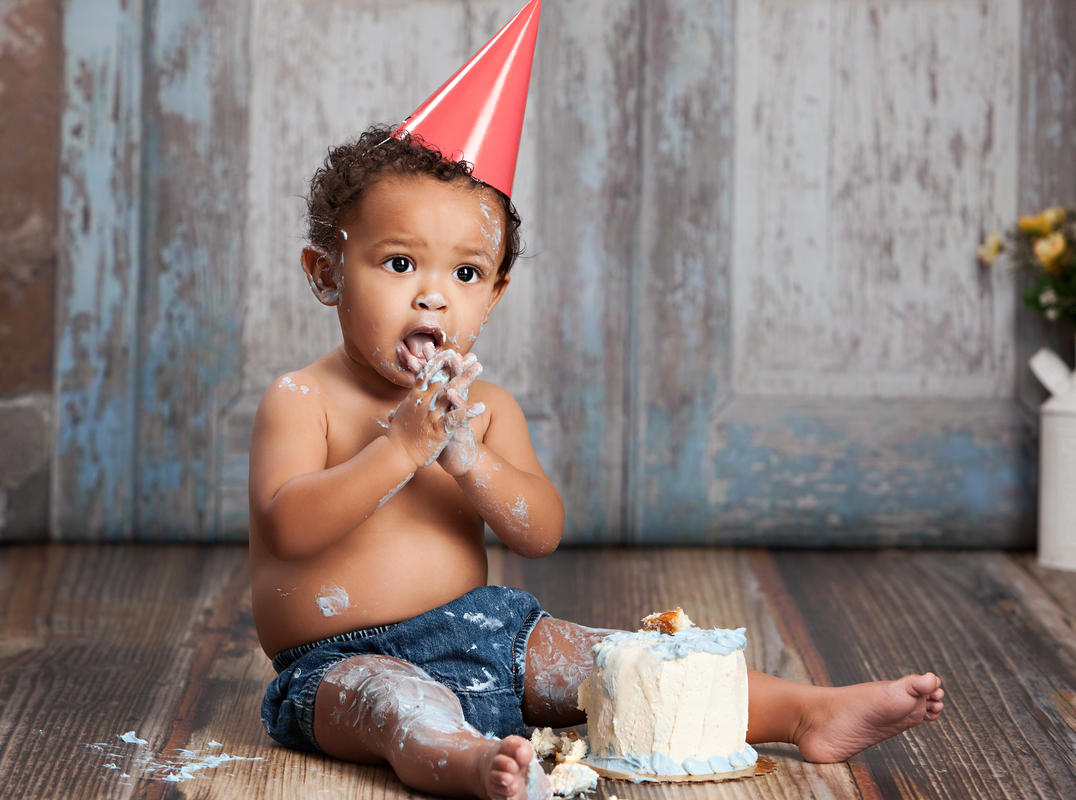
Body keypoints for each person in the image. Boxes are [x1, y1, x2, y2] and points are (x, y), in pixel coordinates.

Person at [249, 126, 946, 800]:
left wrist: (469, 460)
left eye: (465, 273)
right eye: (400, 263)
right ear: (326, 273)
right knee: (399, 705)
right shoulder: (302, 399)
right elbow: (289, 530)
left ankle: (804, 712)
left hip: (486, 633)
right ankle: (471, 761)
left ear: (494, 294)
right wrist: (400, 448)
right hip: (337, 663)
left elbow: (539, 532)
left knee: (628, 663)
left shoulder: (485, 411)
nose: (434, 295)